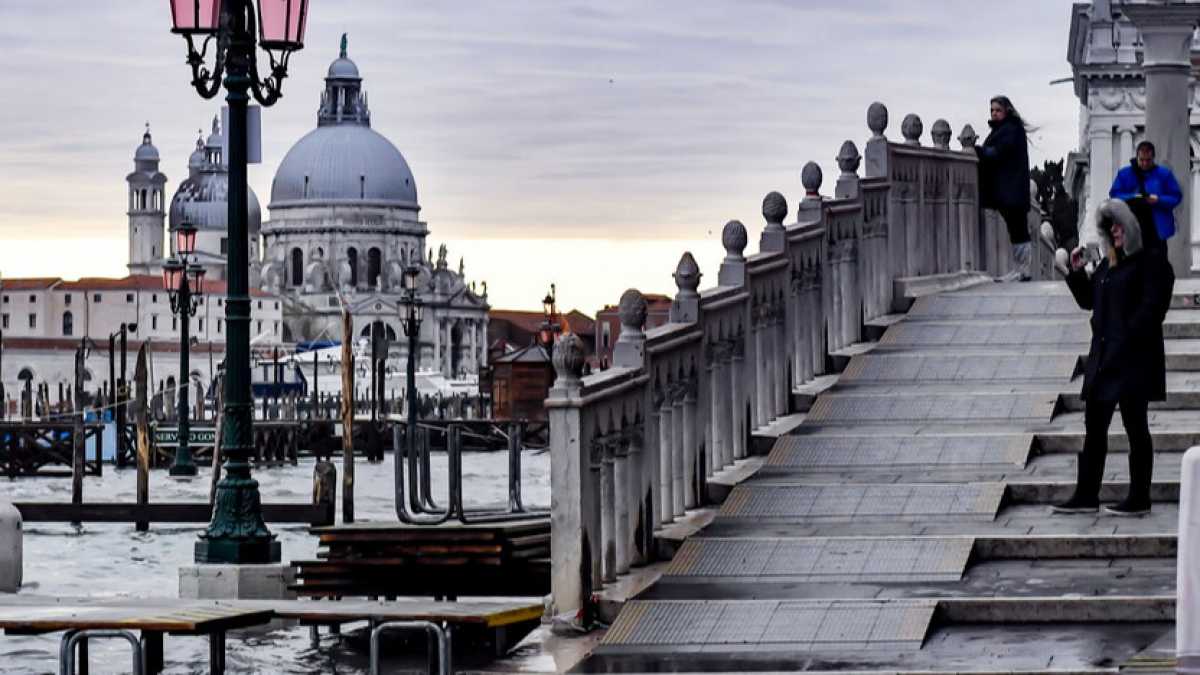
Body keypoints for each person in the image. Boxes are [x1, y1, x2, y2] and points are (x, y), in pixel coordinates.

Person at [1053, 199, 1173, 516]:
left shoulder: (1153, 262)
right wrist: (1075, 272)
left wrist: (1126, 337)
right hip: (1104, 359)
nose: (1114, 231)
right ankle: (1086, 495)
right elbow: (1089, 301)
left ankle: (1139, 497)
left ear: (1135, 226)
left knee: (1136, 427)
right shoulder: (1110, 263)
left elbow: (1152, 311)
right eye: (1110, 225)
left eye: (1120, 224)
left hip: (1132, 360)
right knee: (1094, 428)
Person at [976, 95, 1033, 281]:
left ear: (1006, 111)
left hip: (1012, 191)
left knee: (1018, 230)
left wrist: (978, 151)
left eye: (998, 110)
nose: (994, 113)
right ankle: (1022, 270)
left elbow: (997, 153)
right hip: (1012, 191)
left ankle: (1022, 270)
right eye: (992, 110)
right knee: (1017, 229)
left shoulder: (1010, 130)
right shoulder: (1007, 129)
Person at [1109, 140, 1182, 254]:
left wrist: (1158, 200)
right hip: (1131, 229)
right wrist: (1133, 197)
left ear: (1153, 158)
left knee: (1158, 262)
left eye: (1148, 160)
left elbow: (1176, 196)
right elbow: (1114, 194)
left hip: (1157, 231)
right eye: (1141, 160)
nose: (1144, 163)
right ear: (1137, 157)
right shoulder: (1124, 174)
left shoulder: (1164, 174)